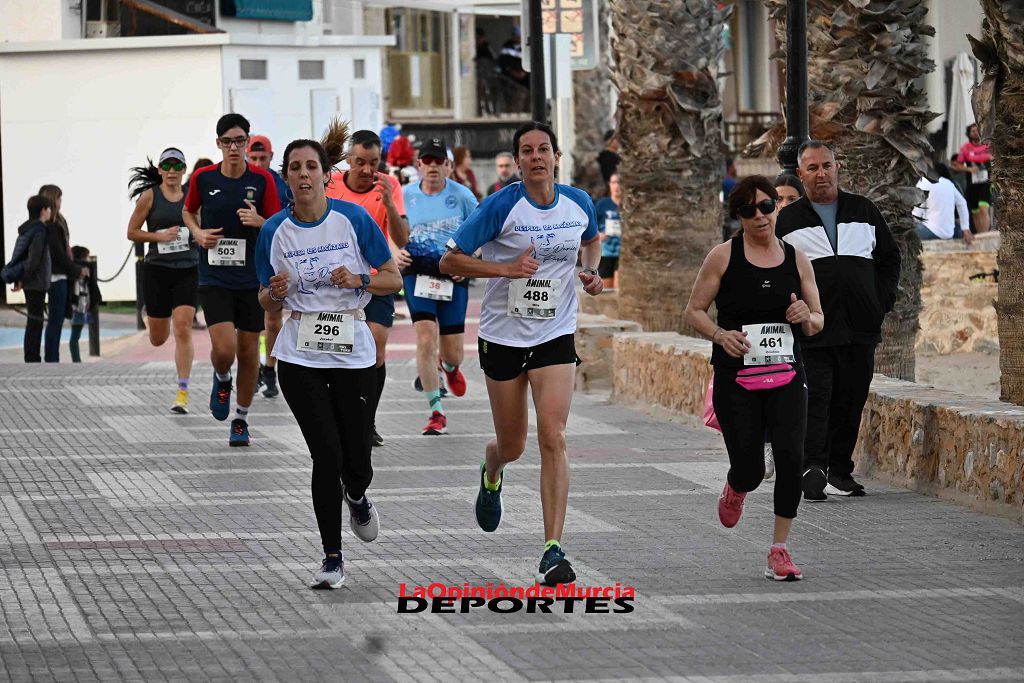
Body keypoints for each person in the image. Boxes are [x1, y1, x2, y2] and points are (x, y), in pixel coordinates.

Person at [440, 121, 604, 586]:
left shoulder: (579, 204)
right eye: (527, 151)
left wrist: (590, 274)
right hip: (503, 338)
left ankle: (553, 548)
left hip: (554, 334)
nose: (536, 157)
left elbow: (591, 242)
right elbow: (451, 259)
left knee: (553, 436)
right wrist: (504, 268)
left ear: (556, 157)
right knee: (512, 444)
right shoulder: (501, 205)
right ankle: (492, 470)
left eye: (543, 149)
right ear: (516, 160)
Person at [256, 121, 401, 589]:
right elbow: (265, 298)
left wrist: (357, 281)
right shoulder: (274, 232)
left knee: (356, 459)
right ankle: (332, 558)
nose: (303, 175)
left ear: (325, 175)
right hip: (300, 354)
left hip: (351, 350)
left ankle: (357, 495)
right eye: (294, 168)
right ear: (286, 178)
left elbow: (392, 279)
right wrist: (272, 293)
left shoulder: (353, 220)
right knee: (326, 454)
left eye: (311, 167)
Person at [684, 175, 824, 581]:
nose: (760, 216)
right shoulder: (723, 256)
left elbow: (817, 319)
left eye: (766, 206)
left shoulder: (797, 258)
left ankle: (779, 549)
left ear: (777, 208)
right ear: (739, 216)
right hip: (737, 378)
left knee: (790, 456)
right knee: (749, 468)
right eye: (749, 210)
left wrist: (806, 318)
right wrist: (720, 335)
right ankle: (736, 486)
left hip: (786, 375)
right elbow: (693, 310)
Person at [777, 140, 901, 500]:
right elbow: (780, 271)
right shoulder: (789, 220)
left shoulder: (863, 210)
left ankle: (840, 472)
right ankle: (812, 467)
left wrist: (881, 300)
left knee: (851, 398)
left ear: (838, 167)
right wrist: (795, 309)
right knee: (817, 397)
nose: (821, 173)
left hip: (861, 326)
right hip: (814, 328)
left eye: (826, 165)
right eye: (812, 168)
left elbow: (890, 258)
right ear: (800, 175)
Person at [183, 113, 283, 446]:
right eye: (228, 142)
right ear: (218, 145)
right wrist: (197, 232)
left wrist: (258, 220)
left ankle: (240, 419)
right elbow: (188, 210)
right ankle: (221, 377)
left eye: (240, 141)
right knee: (224, 350)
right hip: (214, 275)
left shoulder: (263, 180)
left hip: (251, 277)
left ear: (247, 142)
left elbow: (276, 223)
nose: (234, 148)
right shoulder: (202, 178)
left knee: (249, 351)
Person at [326, 130, 410, 447]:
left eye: (373, 163)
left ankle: (367, 420)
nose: (366, 169)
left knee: (375, 344)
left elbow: (402, 239)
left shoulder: (390, 185)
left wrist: (388, 202)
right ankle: (338, 414)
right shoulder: (330, 183)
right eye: (360, 162)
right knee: (338, 351)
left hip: (376, 278)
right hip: (336, 280)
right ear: (349, 159)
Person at [395, 138, 478, 435]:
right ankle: (435, 411)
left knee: (453, 352)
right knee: (426, 337)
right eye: (426, 161)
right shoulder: (403, 196)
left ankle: (451, 368)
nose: (432, 167)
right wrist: (395, 252)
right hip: (417, 275)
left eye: (438, 161)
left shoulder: (463, 196)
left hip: (453, 276)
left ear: (448, 166)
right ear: (418, 165)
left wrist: (469, 259)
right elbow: (388, 230)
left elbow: (482, 234)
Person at [126, 148, 198, 412]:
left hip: (188, 268)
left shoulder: (192, 196)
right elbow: (131, 232)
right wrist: (159, 237)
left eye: (176, 166)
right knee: (158, 338)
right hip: (157, 270)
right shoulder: (150, 197)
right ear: (159, 170)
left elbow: (201, 225)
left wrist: (196, 234)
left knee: (183, 329)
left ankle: (182, 391)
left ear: (183, 169)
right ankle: (154, 313)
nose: (171, 171)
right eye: (166, 166)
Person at [247, 135, 291, 398]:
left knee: (272, 319)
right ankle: (251, 370)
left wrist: (260, 221)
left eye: (263, 158)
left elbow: (287, 226)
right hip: (241, 261)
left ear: (271, 157)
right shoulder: (238, 181)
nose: (258, 162)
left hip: (272, 258)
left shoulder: (278, 184)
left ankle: (270, 369)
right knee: (248, 323)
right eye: (253, 158)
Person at [7, 195, 53, 363]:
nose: (50, 212)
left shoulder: (28, 229)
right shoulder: (39, 231)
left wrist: (21, 279)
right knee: (35, 320)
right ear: (43, 211)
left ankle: (32, 355)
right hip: (36, 282)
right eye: (48, 209)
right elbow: (33, 259)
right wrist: (25, 277)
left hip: (32, 282)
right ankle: (32, 357)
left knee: (34, 319)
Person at [38, 184, 78, 363]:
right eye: (59, 198)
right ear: (53, 199)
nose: (61, 202)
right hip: (56, 275)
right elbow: (57, 252)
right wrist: (74, 269)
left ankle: (53, 357)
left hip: (61, 274)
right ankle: (52, 358)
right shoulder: (51, 224)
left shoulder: (58, 220)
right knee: (55, 321)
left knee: (57, 320)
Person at [914, 163, 973, 244]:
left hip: (930, 231)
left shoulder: (924, 181)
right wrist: (965, 227)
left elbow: (916, 214)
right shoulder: (949, 184)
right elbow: (962, 203)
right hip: (948, 233)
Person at [952, 123, 992, 233]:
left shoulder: (987, 146)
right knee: (975, 212)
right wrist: (969, 169)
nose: (975, 133)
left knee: (983, 209)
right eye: (973, 131)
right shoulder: (965, 148)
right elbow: (957, 165)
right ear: (969, 134)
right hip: (972, 184)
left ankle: (986, 235)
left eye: (977, 130)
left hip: (986, 182)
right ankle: (980, 235)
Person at [68, 245, 101, 363]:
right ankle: (76, 361)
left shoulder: (76, 268)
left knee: (75, 335)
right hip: (80, 306)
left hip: (81, 305)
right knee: (75, 336)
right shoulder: (84, 269)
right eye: (87, 256)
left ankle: (76, 360)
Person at [595, 173, 622, 290]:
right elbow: (588, 225)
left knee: (618, 288)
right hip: (606, 253)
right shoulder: (602, 205)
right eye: (614, 182)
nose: (617, 186)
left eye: (620, 182)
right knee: (608, 291)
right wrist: (597, 235)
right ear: (610, 185)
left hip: (625, 254)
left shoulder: (631, 204)